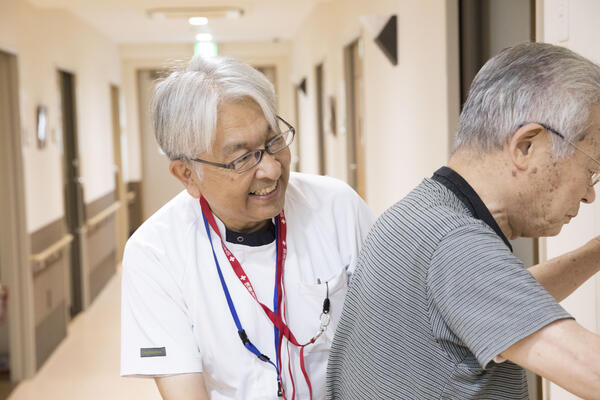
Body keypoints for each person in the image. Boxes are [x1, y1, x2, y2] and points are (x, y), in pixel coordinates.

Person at [326, 42, 600, 399]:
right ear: (526, 146)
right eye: (591, 170)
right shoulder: (455, 242)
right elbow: (591, 370)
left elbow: (500, 300)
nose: (589, 194)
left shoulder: (418, 215)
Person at [120, 55, 374, 400]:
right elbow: (184, 391)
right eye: (242, 158)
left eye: (273, 143)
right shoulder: (155, 252)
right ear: (187, 174)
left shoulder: (337, 207)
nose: (270, 170)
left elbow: (387, 343)